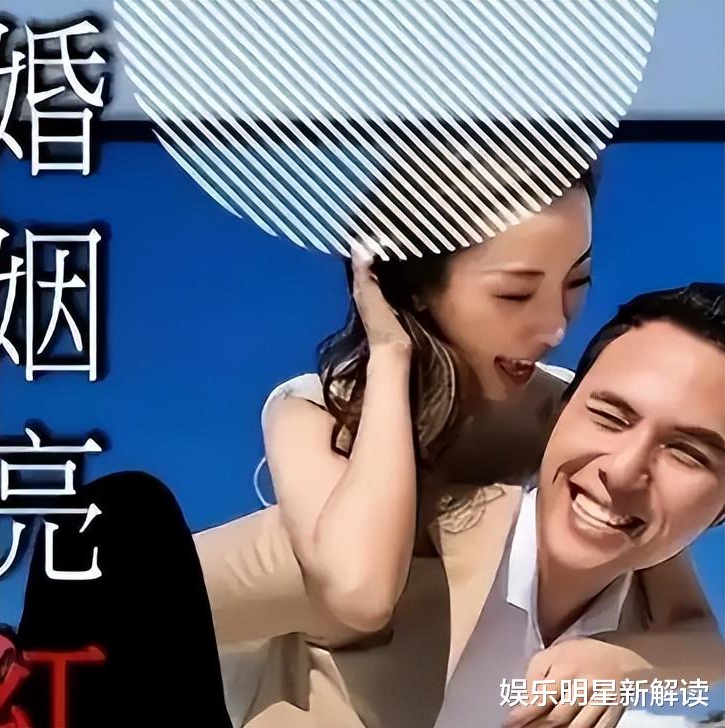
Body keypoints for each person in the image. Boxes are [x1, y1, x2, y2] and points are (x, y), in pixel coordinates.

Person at [195, 157, 721, 727]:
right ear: (417, 286)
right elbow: (359, 591)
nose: (556, 329)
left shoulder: (571, 420)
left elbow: (701, 641)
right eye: (515, 293)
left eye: (576, 284)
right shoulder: (326, 416)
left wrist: (622, 663)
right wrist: (390, 351)